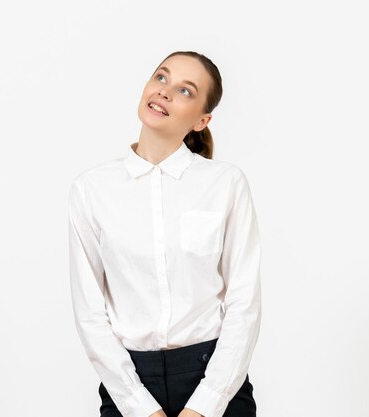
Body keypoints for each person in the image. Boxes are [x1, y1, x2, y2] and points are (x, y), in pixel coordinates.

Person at [68, 50, 262, 417]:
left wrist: (206, 403)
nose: (165, 92)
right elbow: (90, 313)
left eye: (185, 90)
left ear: (202, 120)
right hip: (129, 387)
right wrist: (140, 407)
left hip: (214, 378)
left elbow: (244, 303)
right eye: (161, 77)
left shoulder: (225, 184)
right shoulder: (91, 190)